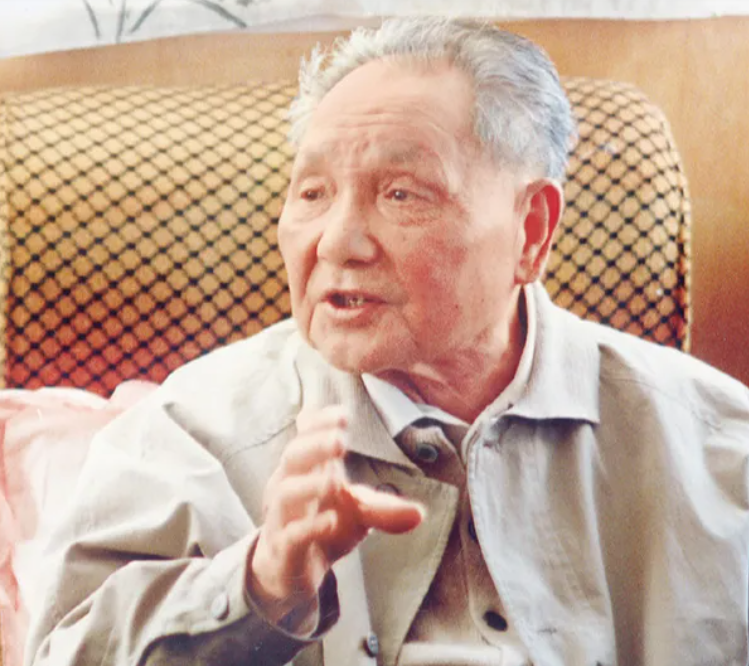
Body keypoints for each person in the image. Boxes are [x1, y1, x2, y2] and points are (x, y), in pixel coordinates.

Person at [24, 16, 749, 666]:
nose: (336, 241)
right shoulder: (187, 437)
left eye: (401, 193)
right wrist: (257, 586)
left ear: (530, 232)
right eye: (312, 193)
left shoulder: (719, 450)